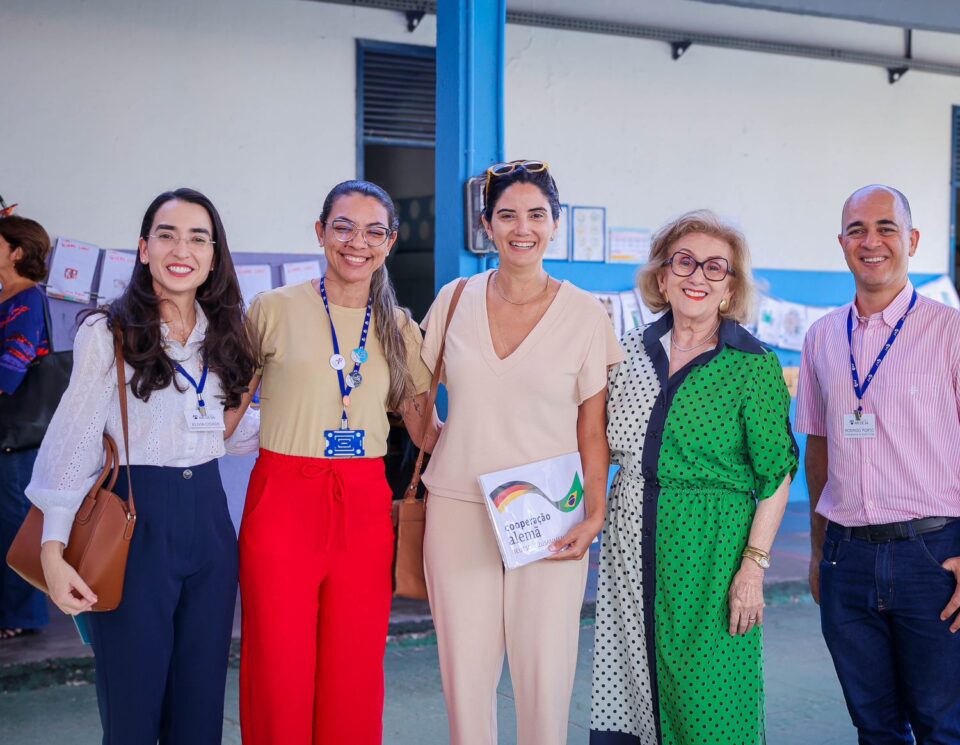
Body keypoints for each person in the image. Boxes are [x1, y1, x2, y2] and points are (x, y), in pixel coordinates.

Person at [26, 188, 259, 744]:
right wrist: (52, 551)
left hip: (210, 523)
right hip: (134, 520)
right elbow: (75, 440)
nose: (183, 249)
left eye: (198, 238)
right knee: (133, 705)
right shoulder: (107, 332)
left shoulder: (226, 334)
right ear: (144, 248)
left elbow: (228, 439)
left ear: (214, 254)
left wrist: (256, 396)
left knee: (200, 704)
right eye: (168, 234)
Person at [796, 185, 960, 744]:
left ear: (912, 240)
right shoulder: (822, 338)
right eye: (856, 230)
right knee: (874, 728)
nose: (870, 241)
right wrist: (822, 550)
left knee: (941, 727)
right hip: (846, 560)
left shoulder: (957, 333)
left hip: (934, 559)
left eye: (885, 228)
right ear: (842, 242)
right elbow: (820, 447)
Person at [420, 160, 623, 745]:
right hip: (459, 508)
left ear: (555, 224)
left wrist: (595, 514)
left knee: (545, 678)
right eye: (507, 215)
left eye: (536, 214)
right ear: (487, 225)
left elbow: (593, 428)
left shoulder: (585, 314)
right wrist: (439, 440)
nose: (522, 227)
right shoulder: (454, 300)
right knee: (466, 679)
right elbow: (416, 395)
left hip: (550, 514)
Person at [589, 209, 797, 745]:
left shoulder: (753, 364)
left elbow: (776, 475)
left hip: (711, 553)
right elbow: (596, 441)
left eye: (714, 267)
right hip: (630, 545)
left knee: (709, 701)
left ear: (730, 289)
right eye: (684, 262)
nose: (697, 276)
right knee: (636, 690)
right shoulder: (628, 352)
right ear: (662, 278)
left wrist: (752, 569)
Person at [238, 180, 434, 745]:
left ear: (391, 243)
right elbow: (224, 410)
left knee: (354, 662)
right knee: (278, 662)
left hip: (364, 502)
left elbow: (426, 431)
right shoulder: (272, 309)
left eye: (375, 231)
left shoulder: (399, 327)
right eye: (343, 226)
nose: (358, 243)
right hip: (282, 497)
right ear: (320, 232)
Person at [0, 215, 52, 640]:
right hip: (8, 432)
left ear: (16, 252)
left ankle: (22, 614)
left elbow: (11, 371)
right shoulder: (6, 299)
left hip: (17, 434)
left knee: (14, 520)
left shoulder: (28, 300)